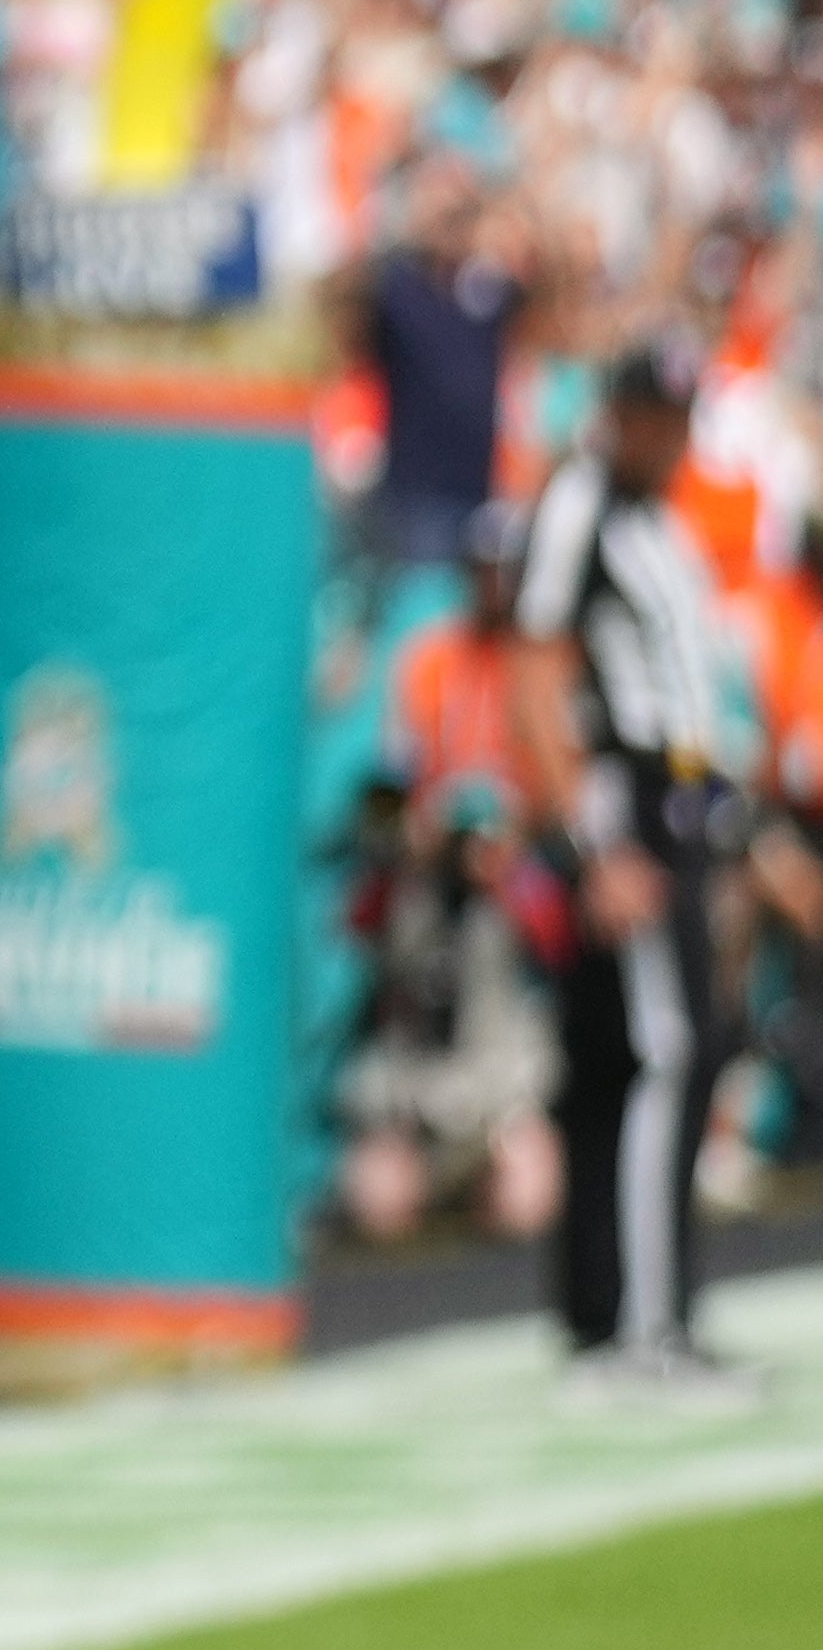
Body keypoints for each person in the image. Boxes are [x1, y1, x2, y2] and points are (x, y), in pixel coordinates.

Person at [507, 343, 758, 1400]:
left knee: (645, 1056)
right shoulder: (582, 503)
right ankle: (644, 1329)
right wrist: (589, 841)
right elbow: (537, 667)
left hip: (677, 799)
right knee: (663, 1054)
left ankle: (610, 1316)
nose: (671, 436)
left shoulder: (658, 524)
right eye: (656, 416)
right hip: (626, 800)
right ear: (620, 414)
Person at [335, 514, 562, 1247]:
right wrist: (424, 837)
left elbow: (565, 808)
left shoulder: (546, 667)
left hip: (512, 902)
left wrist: (510, 851)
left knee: (528, 1197)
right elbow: (382, 794)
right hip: (431, 906)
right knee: (377, 1200)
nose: (494, 584)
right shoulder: (429, 659)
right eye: (484, 568)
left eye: (508, 570)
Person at [343, 152, 532, 621]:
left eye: (463, 214)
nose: (454, 226)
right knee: (417, 624)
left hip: (477, 498)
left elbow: (555, 298)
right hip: (415, 500)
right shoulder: (396, 287)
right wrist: (402, 229)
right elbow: (340, 303)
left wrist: (504, 219)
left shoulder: (487, 291)